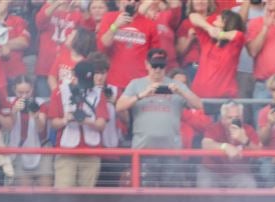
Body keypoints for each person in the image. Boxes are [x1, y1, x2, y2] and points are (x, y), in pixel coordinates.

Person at [118, 48, 203, 188]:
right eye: (154, 65)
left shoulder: (177, 85)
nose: (157, 69)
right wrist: (141, 95)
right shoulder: (136, 84)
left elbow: (198, 105)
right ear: (146, 64)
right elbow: (119, 106)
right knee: (144, 196)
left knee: (170, 196)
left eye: (161, 66)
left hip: (171, 152)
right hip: (143, 151)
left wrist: (181, 91)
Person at [46, 57, 111, 188]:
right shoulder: (60, 92)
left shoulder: (99, 93)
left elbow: (101, 124)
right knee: (64, 197)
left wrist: (86, 121)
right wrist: (67, 119)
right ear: (74, 75)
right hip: (66, 153)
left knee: (86, 199)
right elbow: (53, 123)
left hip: (91, 153)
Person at [186, 8, 247, 102]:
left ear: (227, 23)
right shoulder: (207, 40)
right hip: (199, 100)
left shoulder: (233, 46)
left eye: (221, 17)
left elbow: (238, 35)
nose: (217, 16)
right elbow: (193, 16)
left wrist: (220, 34)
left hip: (223, 102)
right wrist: (209, 28)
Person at [98, 0, 159, 91]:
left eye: (136, 0)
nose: (132, 2)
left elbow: (154, 56)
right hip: (114, 80)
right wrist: (116, 25)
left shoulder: (149, 23)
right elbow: (104, 44)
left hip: (139, 82)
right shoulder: (109, 17)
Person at [199, 100, 261, 189]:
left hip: (238, 174)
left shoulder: (248, 130)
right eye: (230, 118)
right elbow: (205, 144)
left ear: (242, 118)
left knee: (249, 184)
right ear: (223, 119)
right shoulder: (214, 128)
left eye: (237, 117)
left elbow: (259, 153)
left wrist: (245, 140)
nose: (234, 121)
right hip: (212, 172)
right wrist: (225, 146)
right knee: (205, 185)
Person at [8, 77, 52, 187]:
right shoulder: (10, 103)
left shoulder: (40, 103)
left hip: (41, 149)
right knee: (24, 192)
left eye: (27, 92)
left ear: (32, 89)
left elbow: (41, 128)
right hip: (19, 151)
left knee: (45, 188)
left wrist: (36, 117)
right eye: (20, 92)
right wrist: (13, 111)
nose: (24, 96)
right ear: (14, 90)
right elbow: (8, 127)